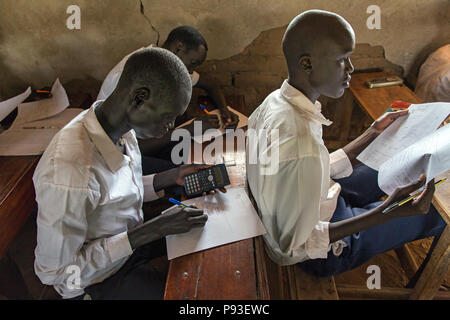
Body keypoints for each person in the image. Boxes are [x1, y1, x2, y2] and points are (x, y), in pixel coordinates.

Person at [246, 10, 445, 277]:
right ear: (307, 64)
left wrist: (371, 133)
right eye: (342, 60)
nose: (350, 69)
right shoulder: (299, 144)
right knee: (434, 213)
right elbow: (292, 248)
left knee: (394, 164)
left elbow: (308, 172)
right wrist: (385, 213)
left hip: (320, 200)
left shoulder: (276, 102)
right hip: (320, 250)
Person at [33, 48, 224, 299]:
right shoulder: (69, 173)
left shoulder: (121, 130)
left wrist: (172, 176)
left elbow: (113, 197)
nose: (170, 126)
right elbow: (56, 273)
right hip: (97, 280)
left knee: (211, 241)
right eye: (168, 117)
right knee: (193, 297)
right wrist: (149, 231)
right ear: (139, 98)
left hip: (129, 245)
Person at [97, 26, 239, 158]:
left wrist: (223, 109)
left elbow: (211, 84)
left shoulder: (168, 66)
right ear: (178, 48)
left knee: (194, 155)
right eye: (193, 63)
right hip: (120, 153)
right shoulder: (137, 76)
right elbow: (133, 146)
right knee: (183, 163)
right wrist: (188, 129)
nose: (191, 71)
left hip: (142, 141)